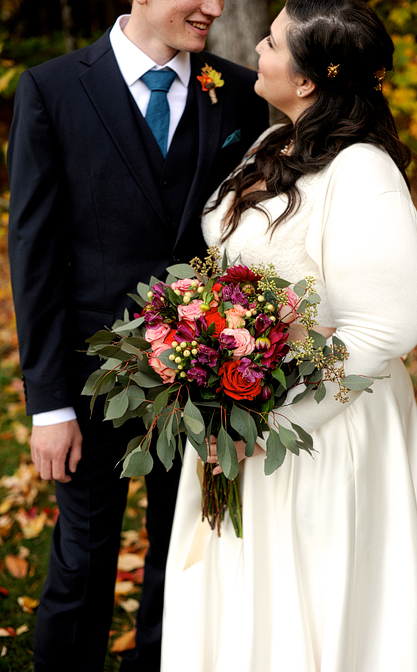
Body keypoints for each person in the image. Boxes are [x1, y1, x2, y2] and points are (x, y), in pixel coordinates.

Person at [158, 1, 417, 670]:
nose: (256, 46)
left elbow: (386, 326)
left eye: (273, 40)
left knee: (309, 600)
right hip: (243, 412)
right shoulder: (270, 143)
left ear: (309, 78)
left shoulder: (362, 171)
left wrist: (275, 416)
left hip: (320, 427)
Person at [6, 1, 269, 670]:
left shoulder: (238, 90)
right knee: (84, 554)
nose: (213, 8)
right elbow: (32, 255)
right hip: (90, 378)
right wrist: (49, 404)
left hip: (204, 376)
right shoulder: (53, 88)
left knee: (179, 554)